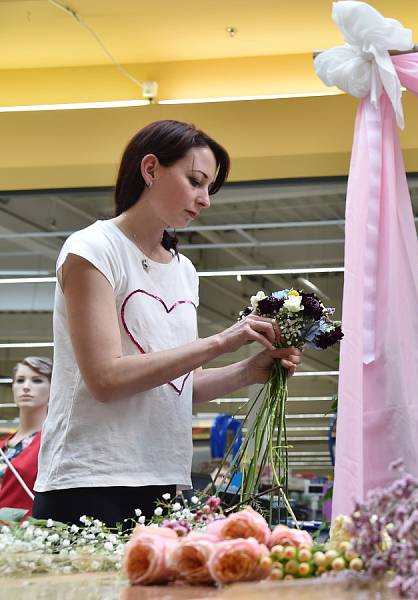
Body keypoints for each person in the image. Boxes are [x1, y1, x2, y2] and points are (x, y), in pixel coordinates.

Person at [33, 120, 302, 527]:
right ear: (151, 169)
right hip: (89, 480)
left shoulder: (184, 270)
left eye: (209, 188)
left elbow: (180, 387)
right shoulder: (93, 249)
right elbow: (105, 379)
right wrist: (221, 342)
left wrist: (248, 371)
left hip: (166, 482)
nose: (205, 199)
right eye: (196, 181)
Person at [0, 357, 52, 516]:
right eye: (20, 380)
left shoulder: (53, 443)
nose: (26, 387)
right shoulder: (3, 445)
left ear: (53, 388)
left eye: (37, 381)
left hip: (27, 533)